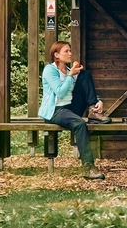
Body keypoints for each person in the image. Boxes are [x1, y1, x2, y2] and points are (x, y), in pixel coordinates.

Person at [38, 41, 106, 180]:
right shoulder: (50, 70)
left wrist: (97, 101)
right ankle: (88, 167)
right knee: (80, 124)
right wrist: (70, 76)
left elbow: (82, 91)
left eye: (70, 50)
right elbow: (60, 92)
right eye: (66, 51)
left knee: (85, 74)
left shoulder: (70, 71)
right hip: (55, 110)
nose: (70, 53)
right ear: (56, 55)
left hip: (70, 108)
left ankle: (94, 110)